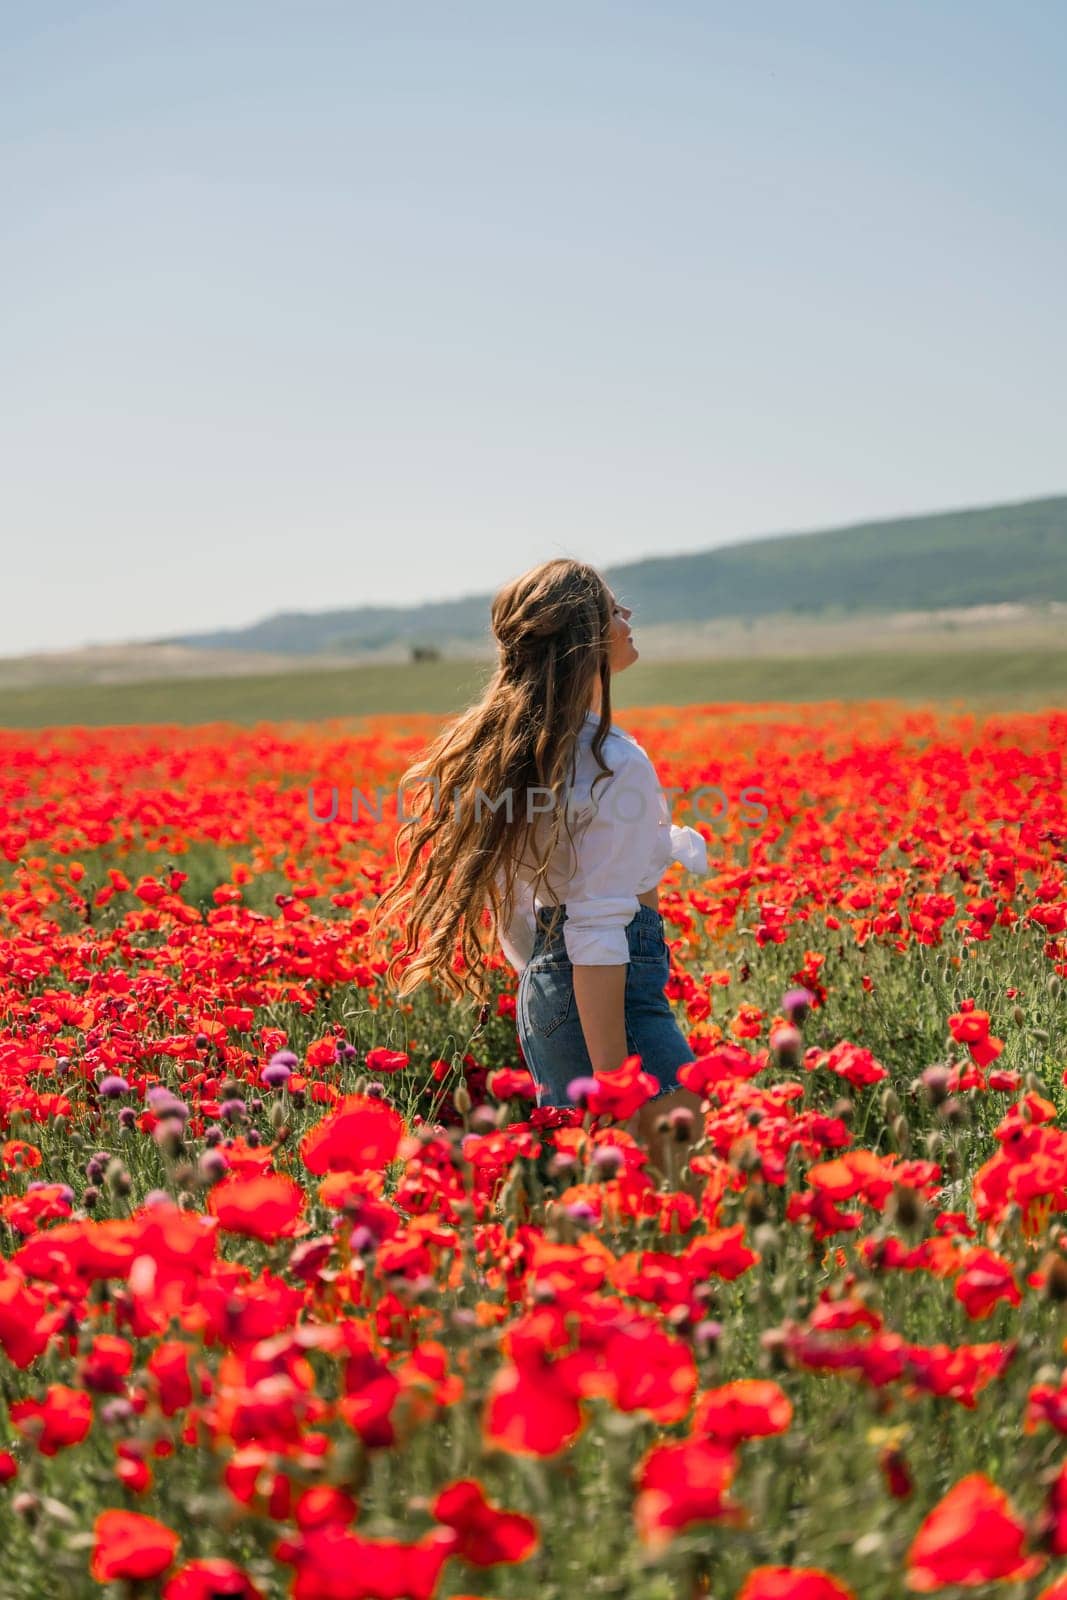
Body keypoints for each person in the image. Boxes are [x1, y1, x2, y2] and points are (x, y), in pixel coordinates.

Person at [370, 558, 707, 1182]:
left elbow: (521, 912)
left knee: (605, 1192)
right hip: (608, 994)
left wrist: (545, 974)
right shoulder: (609, 761)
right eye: (612, 610)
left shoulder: (538, 756)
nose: (627, 619)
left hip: (555, 991)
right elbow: (599, 930)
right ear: (584, 637)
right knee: (662, 1177)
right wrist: (612, 1085)